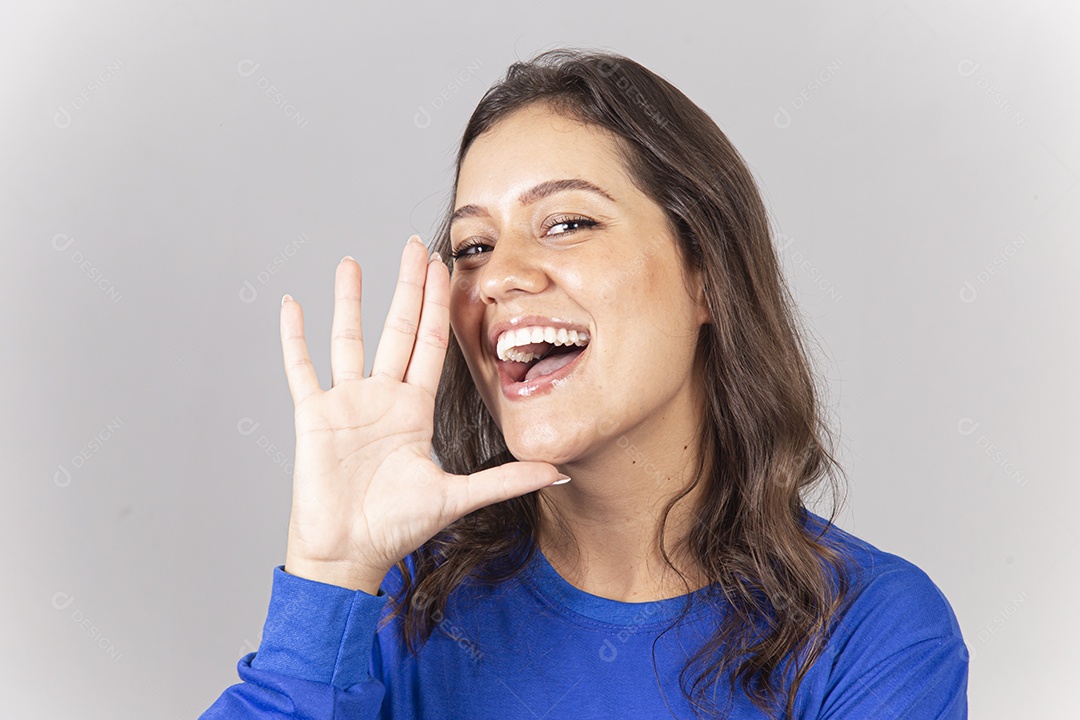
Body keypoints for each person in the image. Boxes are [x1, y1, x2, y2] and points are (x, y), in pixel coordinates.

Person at [199, 48, 968, 719]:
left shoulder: (872, 629)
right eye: (473, 245)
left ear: (708, 275)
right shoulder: (396, 606)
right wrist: (327, 580)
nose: (498, 276)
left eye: (568, 223)